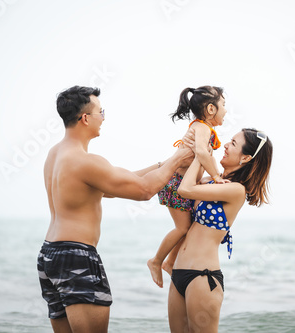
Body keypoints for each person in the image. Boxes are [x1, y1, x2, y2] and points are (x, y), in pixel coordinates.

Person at [36, 85, 194, 333]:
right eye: (101, 111)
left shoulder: (55, 155)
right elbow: (143, 190)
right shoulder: (85, 161)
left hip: (50, 255)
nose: (104, 117)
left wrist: (164, 164)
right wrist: (179, 158)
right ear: (85, 118)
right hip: (77, 256)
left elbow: (112, 187)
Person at [168, 128, 273, 333]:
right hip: (178, 273)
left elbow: (185, 190)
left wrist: (202, 153)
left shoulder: (236, 190)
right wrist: (194, 147)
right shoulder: (209, 181)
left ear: (246, 157)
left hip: (202, 277)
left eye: (233, 143)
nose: (225, 145)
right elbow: (180, 183)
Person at [147, 86, 227, 288]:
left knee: (188, 227)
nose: (226, 110)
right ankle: (156, 260)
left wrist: (217, 176)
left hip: (182, 183)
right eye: (224, 105)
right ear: (211, 109)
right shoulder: (201, 128)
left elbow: (206, 156)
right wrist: (216, 177)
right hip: (175, 184)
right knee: (182, 227)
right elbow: (201, 152)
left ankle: (170, 262)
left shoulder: (204, 129)